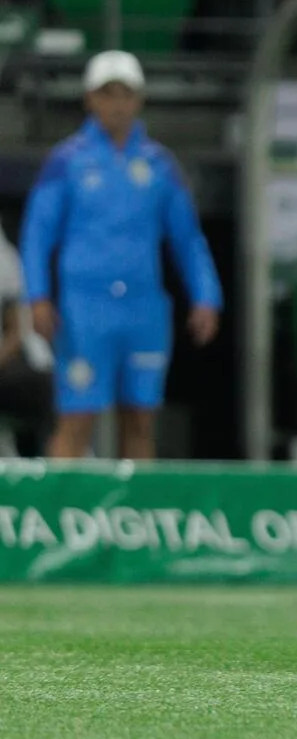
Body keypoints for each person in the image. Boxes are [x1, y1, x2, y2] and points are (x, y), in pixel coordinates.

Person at [20, 50, 223, 460]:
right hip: (83, 308)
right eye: (107, 93)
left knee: (141, 418)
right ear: (89, 100)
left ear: (139, 100)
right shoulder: (66, 161)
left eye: (125, 94)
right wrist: (38, 297)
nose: (116, 104)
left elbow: (187, 238)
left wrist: (206, 295)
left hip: (143, 306)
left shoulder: (159, 165)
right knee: (77, 416)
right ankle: (60, 515)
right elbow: (37, 234)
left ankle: (135, 517)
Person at [0, 233, 53, 455]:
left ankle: (35, 471)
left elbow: (16, 328)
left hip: (3, 365)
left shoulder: (3, 254)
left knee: (47, 388)